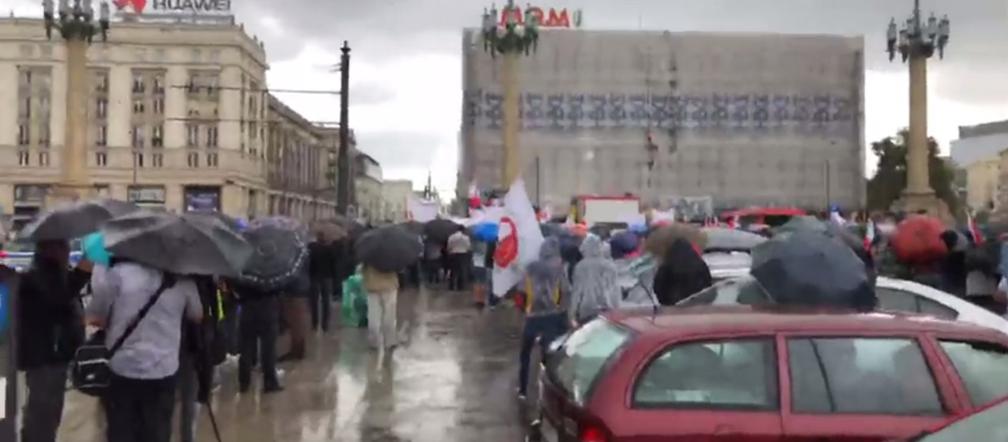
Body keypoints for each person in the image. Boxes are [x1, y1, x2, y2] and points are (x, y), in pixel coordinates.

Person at [86, 259, 202, 442]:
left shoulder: (117, 274)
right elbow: (197, 315)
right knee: (157, 433)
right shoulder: (183, 280)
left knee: (120, 432)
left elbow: (95, 318)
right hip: (163, 370)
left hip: (122, 368)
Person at [18, 240, 90, 442]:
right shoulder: (41, 277)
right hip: (47, 354)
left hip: (51, 353)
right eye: (65, 246)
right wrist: (82, 273)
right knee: (43, 412)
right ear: (53, 249)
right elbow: (60, 297)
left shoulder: (50, 273)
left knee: (45, 411)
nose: (68, 251)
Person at [517, 238, 570, 400]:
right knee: (549, 355)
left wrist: (525, 309)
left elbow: (521, 291)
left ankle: (523, 390)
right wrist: (563, 311)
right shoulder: (559, 268)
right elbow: (565, 290)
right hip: (552, 316)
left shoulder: (530, 267)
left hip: (532, 316)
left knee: (525, 353)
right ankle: (548, 392)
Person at [231, 282, 283, 393]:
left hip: (247, 308)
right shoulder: (271, 270)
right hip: (268, 306)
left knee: (246, 347)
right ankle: (270, 382)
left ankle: (244, 382)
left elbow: (236, 288)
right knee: (268, 348)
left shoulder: (244, 269)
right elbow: (279, 286)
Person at [570, 235, 621, 325]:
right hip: (606, 307)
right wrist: (616, 309)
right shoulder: (609, 265)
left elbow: (577, 291)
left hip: (586, 308)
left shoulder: (580, 266)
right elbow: (614, 290)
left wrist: (572, 313)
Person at [652, 238, 713, 306]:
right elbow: (708, 284)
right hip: (697, 305)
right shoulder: (700, 264)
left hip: (672, 306)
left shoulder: (666, 266)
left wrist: (665, 302)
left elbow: (658, 286)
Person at [362, 262, 399, 367]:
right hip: (385, 287)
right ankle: (388, 341)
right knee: (388, 317)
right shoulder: (393, 254)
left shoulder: (368, 253)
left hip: (375, 287)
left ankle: (377, 342)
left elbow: (362, 270)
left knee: (376, 318)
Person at [308, 232, 336, 332]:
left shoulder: (311, 248)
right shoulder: (330, 249)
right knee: (326, 301)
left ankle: (314, 323)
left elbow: (308, 262)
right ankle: (325, 325)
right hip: (327, 277)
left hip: (314, 277)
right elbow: (334, 264)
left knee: (313, 301)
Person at [447, 226, 472, 291]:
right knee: (462, 270)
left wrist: (450, 251)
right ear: (463, 230)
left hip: (454, 254)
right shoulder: (466, 237)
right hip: (463, 255)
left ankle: (451, 286)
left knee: (453, 270)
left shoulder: (451, 237)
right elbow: (468, 247)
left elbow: (449, 246)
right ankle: (460, 286)